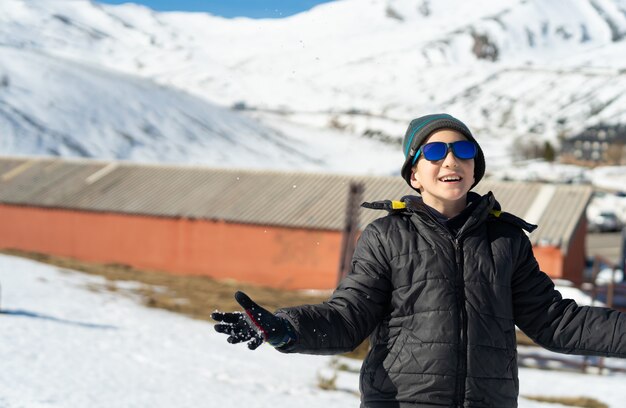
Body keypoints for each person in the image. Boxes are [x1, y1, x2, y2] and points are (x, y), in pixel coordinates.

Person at [212, 113, 626, 407]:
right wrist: (287, 328)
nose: (451, 160)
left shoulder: (505, 240)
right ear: (414, 174)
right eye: (435, 151)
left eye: (463, 151)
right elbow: (348, 316)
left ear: (474, 169)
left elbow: (556, 322)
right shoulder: (386, 237)